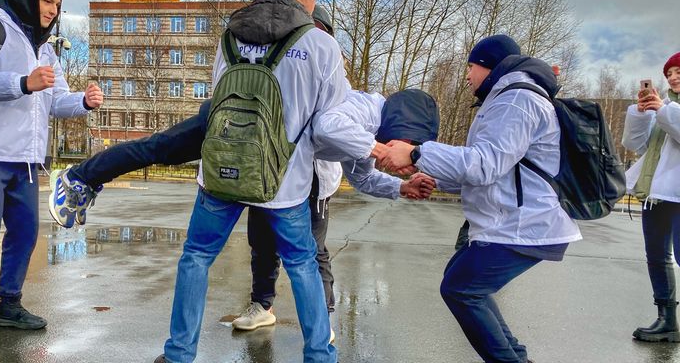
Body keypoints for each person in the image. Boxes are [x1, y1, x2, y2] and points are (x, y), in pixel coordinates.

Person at [155, 0, 348, 363]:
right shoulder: (321, 45)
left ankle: (178, 354)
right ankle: (320, 356)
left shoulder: (229, 37)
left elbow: (220, 100)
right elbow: (334, 125)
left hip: (221, 175)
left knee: (196, 257)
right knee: (303, 264)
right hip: (284, 182)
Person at [379, 34, 581, 363]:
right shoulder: (503, 100)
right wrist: (434, 178)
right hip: (511, 222)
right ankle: (516, 357)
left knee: (462, 289)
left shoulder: (517, 100)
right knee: (464, 283)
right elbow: (490, 171)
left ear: (489, 66)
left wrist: (417, 153)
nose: (468, 75)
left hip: (525, 225)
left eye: (471, 67)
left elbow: (484, 165)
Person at [0, 0, 103, 346]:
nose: (52, 10)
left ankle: (8, 305)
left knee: (25, 232)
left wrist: (83, 101)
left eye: (57, 5)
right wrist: (21, 82)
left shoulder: (45, 48)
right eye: (46, 1)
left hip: (25, 158)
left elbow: (54, 101)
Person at [235, 85, 439, 335]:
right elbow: (327, 124)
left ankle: (321, 319)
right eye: (409, 145)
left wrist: (402, 187)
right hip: (273, 168)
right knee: (262, 241)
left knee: (312, 250)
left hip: (315, 178)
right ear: (404, 125)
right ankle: (262, 306)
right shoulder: (365, 109)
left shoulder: (378, 136)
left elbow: (361, 178)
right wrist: (379, 149)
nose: (406, 154)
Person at [623, 51, 680, 343]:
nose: (673, 76)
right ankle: (667, 320)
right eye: (669, 72)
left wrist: (662, 111)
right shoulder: (665, 107)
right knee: (657, 257)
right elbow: (634, 144)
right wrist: (640, 112)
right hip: (656, 194)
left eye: (679, 71)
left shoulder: (667, 110)